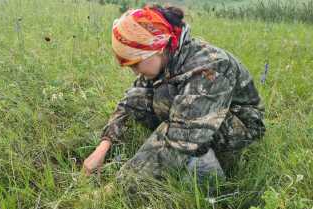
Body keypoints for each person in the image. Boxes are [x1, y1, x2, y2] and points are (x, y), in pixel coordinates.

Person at [83, 4, 265, 189]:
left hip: (240, 126)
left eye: (135, 64)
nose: (134, 71)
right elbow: (128, 103)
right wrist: (103, 146)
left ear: (158, 49)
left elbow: (183, 136)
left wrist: (112, 191)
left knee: (173, 114)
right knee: (141, 96)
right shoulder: (168, 57)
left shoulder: (210, 68)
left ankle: (207, 170)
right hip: (199, 120)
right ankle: (189, 156)